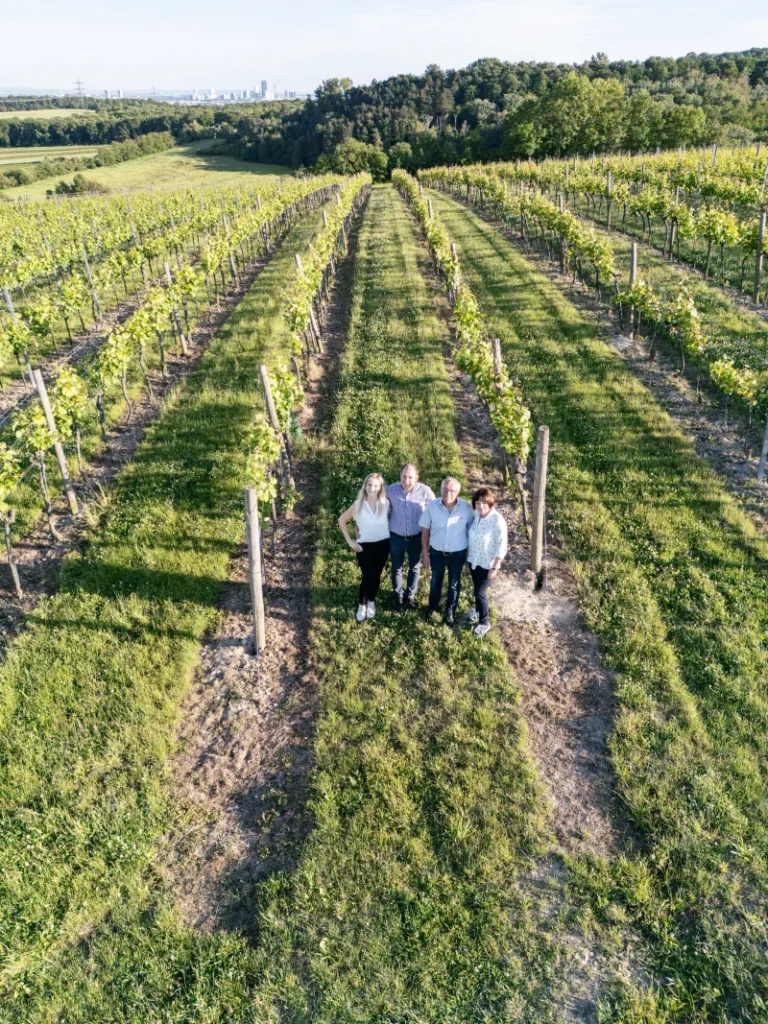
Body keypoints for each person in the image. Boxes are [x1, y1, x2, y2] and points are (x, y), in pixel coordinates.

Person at [419, 476, 473, 626]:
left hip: (457, 554)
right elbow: (425, 531)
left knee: (454, 584)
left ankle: (450, 612)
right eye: (444, 489)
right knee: (436, 581)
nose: (447, 493)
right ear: (440, 489)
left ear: (458, 492)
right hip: (437, 553)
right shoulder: (432, 506)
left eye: (452, 490)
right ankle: (432, 608)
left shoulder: (466, 508)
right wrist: (425, 554)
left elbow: (471, 531)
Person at [338, 473, 391, 622]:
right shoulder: (358, 504)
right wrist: (350, 541)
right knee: (368, 576)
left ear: (380, 488)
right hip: (364, 546)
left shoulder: (385, 503)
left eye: (375, 485)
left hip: (383, 544)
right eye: (369, 485)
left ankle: (371, 601)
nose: (372, 488)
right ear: (365, 486)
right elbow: (342, 520)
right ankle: (362, 604)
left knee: (377, 575)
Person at [386, 463, 435, 611]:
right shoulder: (390, 491)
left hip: (416, 538)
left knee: (414, 567)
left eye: (410, 477)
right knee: (396, 567)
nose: (406, 480)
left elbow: (436, 510)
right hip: (396, 537)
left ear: (417, 478)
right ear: (400, 476)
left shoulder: (425, 492)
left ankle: (410, 596)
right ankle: (398, 596)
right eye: (404, 476)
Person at [466, 487, 508, 637]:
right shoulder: (476, 515)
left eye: (484, 503)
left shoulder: (497, 520)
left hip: (487, 564)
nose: (481, 506)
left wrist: (495, 567)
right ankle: (477, 611)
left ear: (490, 503)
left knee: (480, 592)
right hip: (473, 560)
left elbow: (502, 545)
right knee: (476, 589)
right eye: (477, 503)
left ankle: (484, 622)